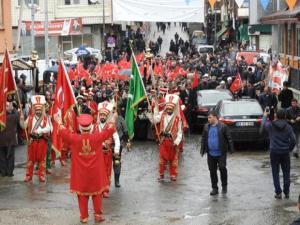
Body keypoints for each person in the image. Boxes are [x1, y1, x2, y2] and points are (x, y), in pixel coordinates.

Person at [56, 113, 115, 223]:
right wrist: (111, 119)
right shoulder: (97, 137)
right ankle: (97, 215)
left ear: (80, 127)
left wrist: (59, 120)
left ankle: (84, 216)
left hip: (81, 173)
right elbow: (109, 131)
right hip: (95, 173)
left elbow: (63, 132)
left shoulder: (74, 138)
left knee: (82, 195)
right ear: (91, 126)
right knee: (97, 194)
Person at [262, 109, 296, 199]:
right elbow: (293, 140)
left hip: (274, 152)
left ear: (276, 116)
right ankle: (287, 192)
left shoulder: (271, 125)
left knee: (275, 172)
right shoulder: (288, 127)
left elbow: (263, 125)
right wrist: (289, 149)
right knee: (286, 172)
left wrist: (265, 116)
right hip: (285, 152)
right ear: (285, 116)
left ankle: (278, 192)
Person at [200, 110, 234, 196]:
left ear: (215, 117)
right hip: (210, 153)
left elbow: (229, 138)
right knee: (212, 171)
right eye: (208, 117)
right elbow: (203, 138)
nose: (208, 119)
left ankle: (224, 186)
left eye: (210, 117)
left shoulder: (223, 127)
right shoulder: (206, 127)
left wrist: (231, 149)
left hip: (221, 153)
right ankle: (214, 188)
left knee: (222, 168)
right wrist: (202, 150)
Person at [151, 94, 183, 182]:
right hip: (163, 140)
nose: (168, 110)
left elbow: (180, 133)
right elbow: (154, 120)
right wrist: (155, 108)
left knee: (173, 159)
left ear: (173, 109)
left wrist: (176, 142)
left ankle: (173, 175)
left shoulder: (177, 118)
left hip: (172, 141)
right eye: (167, 108)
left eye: (170, 109)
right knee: (162, 160)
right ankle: (161, 175)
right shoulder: (162, 114)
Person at [21, 95, 51, 182]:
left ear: (42, 110)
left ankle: (41, 175)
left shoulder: (46, 118)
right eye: (36, 110)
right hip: (32, 141)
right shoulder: (30, 118)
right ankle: (28, 176)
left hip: (42, 141)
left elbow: (49, 128)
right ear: (34, 110)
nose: (38, 112)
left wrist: (40, 130)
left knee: (42, 159)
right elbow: (23, 126)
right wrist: (21, 120)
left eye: (39, 110)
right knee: (31, 159)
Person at [94, 101, 120, 198]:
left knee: (106, 171)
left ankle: (105, 189)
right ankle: (97, 188)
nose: (102, 117)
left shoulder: (110, 126)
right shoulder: (94, 126)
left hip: (107, 154)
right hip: (96, 154)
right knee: (97, 172)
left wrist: (116, 150)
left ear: (107, 116)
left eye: (104, 115)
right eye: (101, 115)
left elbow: (116, 138)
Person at [0, 101, 20, 177]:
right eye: (7, 106)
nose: (9, 107)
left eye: (10, 105)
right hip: (6, 140)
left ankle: (6, 172)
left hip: (8, 140)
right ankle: (6, 172)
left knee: (7, 157)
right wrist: (14, 108)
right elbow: (17, 115)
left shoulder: (3, 116)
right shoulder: (14, 116)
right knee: (4, 157)